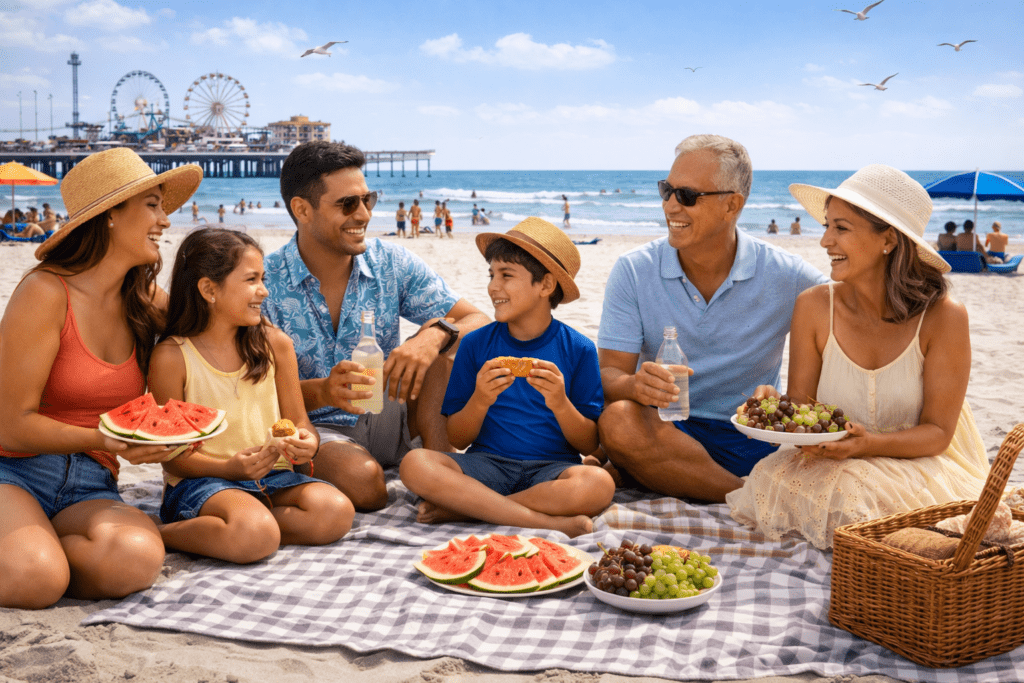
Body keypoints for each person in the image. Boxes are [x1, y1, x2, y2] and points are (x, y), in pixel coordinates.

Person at [727, 164, 989, 549]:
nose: (825, 241)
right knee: (773, 477)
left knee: (853, 496)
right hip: (834, 466)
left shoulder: (944, 316)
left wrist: (866, 445)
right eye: (826, 226)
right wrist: (775, 411)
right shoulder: (814, 307)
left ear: (889, 240)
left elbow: (937, 434)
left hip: (917, 465)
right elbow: (804, 405)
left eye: (841, 228)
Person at [0, 148, 202, 608]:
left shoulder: (145, 297)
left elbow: (219, 338)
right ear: (111, 214)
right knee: (36, 582)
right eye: (152, 205)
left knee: (135, 561)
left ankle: (32, 545)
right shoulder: (44, 292)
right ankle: (30, 551)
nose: (165, 221)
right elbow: (11, 425)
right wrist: (109, 438)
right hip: (13, 469)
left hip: (92, 481)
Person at [596, 134, 826, 502]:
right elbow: (609, 376)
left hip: (749, 437)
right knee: (618, 420)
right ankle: (747, 499)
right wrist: (635, 386)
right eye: (666, 191)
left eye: (686, 196)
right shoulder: (634, 270)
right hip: (666, 428)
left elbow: (853, 310)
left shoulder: (787, 274)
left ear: (732, 205)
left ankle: (660, 475)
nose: (670, 206)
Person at [262, 141, 489, 512]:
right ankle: (431, 472)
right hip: (317, 427)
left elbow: (479, 321)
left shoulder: (391, 261)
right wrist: (324, 391)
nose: (364, 214)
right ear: (302, 209)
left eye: (369, 199)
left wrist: (434, 335)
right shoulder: (266, 281)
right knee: (367, 485)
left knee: (444, 335)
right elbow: (247, 390)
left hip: (392, 413)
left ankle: (440, 471)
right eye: (347, 204)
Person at [148, 228, 353, 563]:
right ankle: (158, 533)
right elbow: (173, 457)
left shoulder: (275, 344)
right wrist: (229, 468)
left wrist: (307, 442)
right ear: (208, 289)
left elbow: (299, 420)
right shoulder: (172, 357)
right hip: (204, 483)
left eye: (264, 278)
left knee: (336, 511)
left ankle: (246, 528)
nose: (264, 291)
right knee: (256, 535)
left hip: (273, 477)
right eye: (251, 280)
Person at [400, 218, 613, 537]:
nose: (493, 287)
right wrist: (480, 399)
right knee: (414, 464)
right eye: (492, 275)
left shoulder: (579, 348)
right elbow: (457, 439)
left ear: (545, 285)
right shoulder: (475, 344)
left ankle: (470, 510)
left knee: (598, 484)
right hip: (486, 465)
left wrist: (559, 402)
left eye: (506, 275)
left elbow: (588, 443)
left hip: (551, 470)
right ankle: (542, 521)